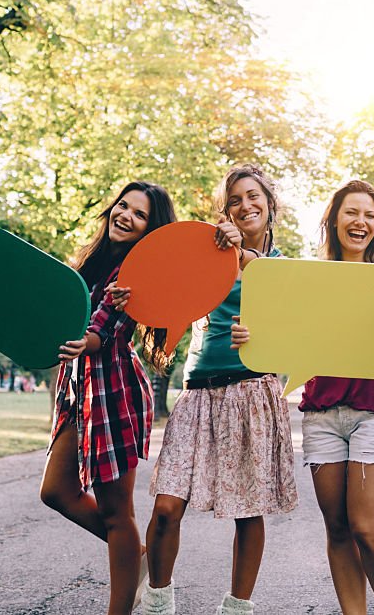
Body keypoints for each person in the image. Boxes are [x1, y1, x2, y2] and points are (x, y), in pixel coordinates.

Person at [268, 180, 374, 615]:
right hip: (322, 413)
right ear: (334, 220)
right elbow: (281, 333)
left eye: (369, 215)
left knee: (365, 525)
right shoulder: (309, 278)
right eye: (351, 213)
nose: (359, 222)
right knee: (338, 528)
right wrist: (253, 335)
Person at [141, 165, 298, 615]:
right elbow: (165, 293)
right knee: (168, 505)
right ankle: (157, 602)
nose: (245, 206)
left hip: (253, 390)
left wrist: (247, 260)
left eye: (253, 197)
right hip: (198, 391)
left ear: (270, 205)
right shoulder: (208, 251)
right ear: (224, 210)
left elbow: (292, 324)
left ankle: (237, 608)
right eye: (234, 200)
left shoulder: (283, 266)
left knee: (249, 509)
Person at [40, 181, 177, 615]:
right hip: (79, 392)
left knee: (118, 512)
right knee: (56, 492)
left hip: (114, 391)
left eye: (140, 215)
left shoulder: (136, 276)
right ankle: (137, 555)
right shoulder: (89, 264)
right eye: (124, 206)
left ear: (148, 231)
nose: (127, 216)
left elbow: (103, 329)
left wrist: (87, 341)